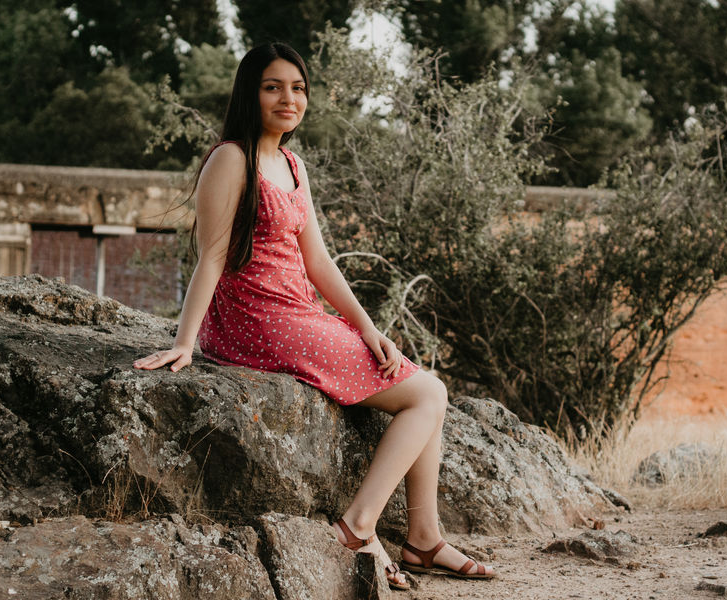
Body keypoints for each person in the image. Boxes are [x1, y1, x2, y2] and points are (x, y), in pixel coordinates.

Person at [133, 42, 495, 590]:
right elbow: (211, 256)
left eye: (298, 88)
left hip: (299, 312)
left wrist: (368, 327)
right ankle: (358, 526)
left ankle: (424, 538)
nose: (289, 98)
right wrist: (185, 342)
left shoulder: (293, 165)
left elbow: (319, 261)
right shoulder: (230, 159)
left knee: (425, 389)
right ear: (250, 93)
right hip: (257, 319)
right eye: (273, 87)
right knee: (428, 394)